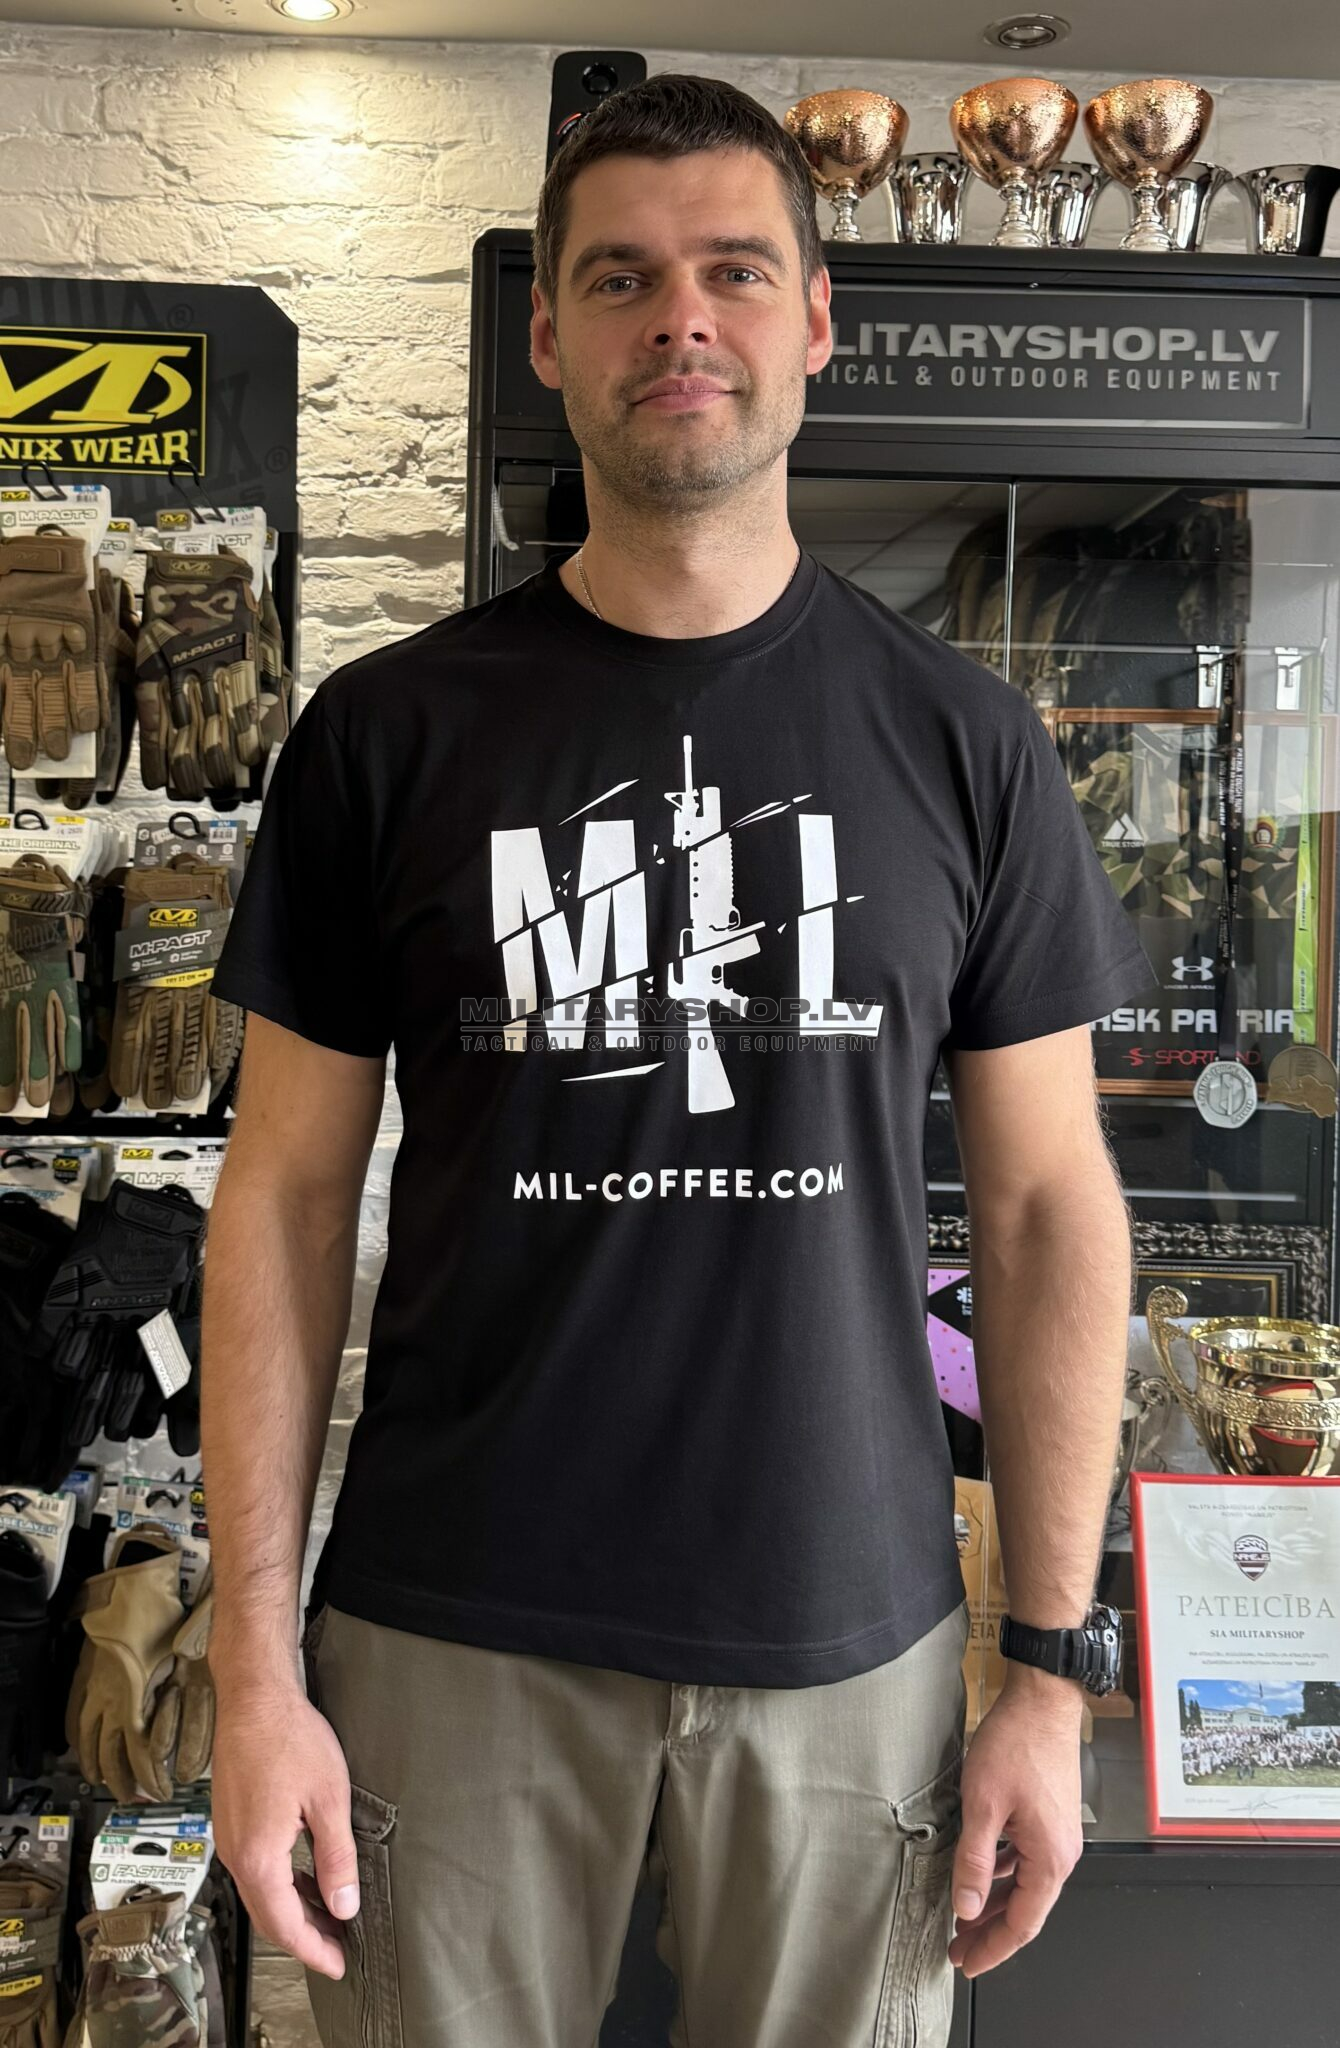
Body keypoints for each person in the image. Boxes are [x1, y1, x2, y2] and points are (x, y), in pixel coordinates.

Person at [203, 71, 1156, 2048]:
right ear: (548, 337)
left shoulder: (968, 749)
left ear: (816, 320)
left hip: (851, 1639)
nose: (681, 321)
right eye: (621, 278)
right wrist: (250, 1672)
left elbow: (1050, 1212)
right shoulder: (386, 739)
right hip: (447, 1632)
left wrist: (1049, 1675)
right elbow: (281, 1199)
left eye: (733, 269)